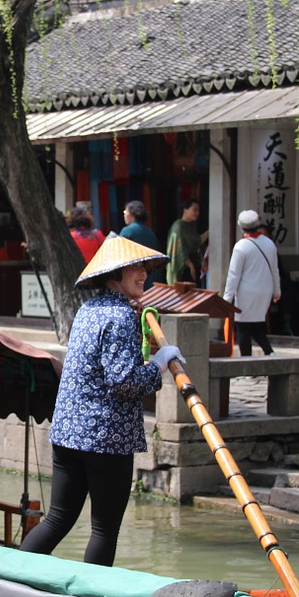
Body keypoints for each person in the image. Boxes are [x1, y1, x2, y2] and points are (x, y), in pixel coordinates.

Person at [19, 235, 181, 567]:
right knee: (104, 530)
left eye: (144, 268)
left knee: (57, 519)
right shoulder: (121, 316)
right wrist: (159, 365)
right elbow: (122, 382)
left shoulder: (88, 309)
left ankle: (7, 577)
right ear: (114, 275)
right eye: (136, 268)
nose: (143, 275)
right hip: (105, 439)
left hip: (68, 434)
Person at [223, 209, 281, 356]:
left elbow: (233, 275)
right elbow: (275, 270)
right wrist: (276, 291)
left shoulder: (241, 246)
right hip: (265, 291)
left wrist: (226, 299)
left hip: (246, 292)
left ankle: (246, 363)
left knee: (243, 328)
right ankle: (269, 353)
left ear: (241, 227)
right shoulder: (269, 244)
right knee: (254, 325)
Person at [119, 200, 159, 291]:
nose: (124, 214)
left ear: (132, 213)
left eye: (125, 211)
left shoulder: (127, 231)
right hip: (150, 276)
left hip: (133, 276)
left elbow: (120, 255)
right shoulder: (150, 232)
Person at [164, 198, 205, 286]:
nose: (197, 213)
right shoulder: (178, 226)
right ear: (185, 210)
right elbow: (179, 248)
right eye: (194, 210)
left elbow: (197, 242)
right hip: (184, 267)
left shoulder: (192, 226)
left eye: (198, 210)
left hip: (195, 264)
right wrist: (190, 265)